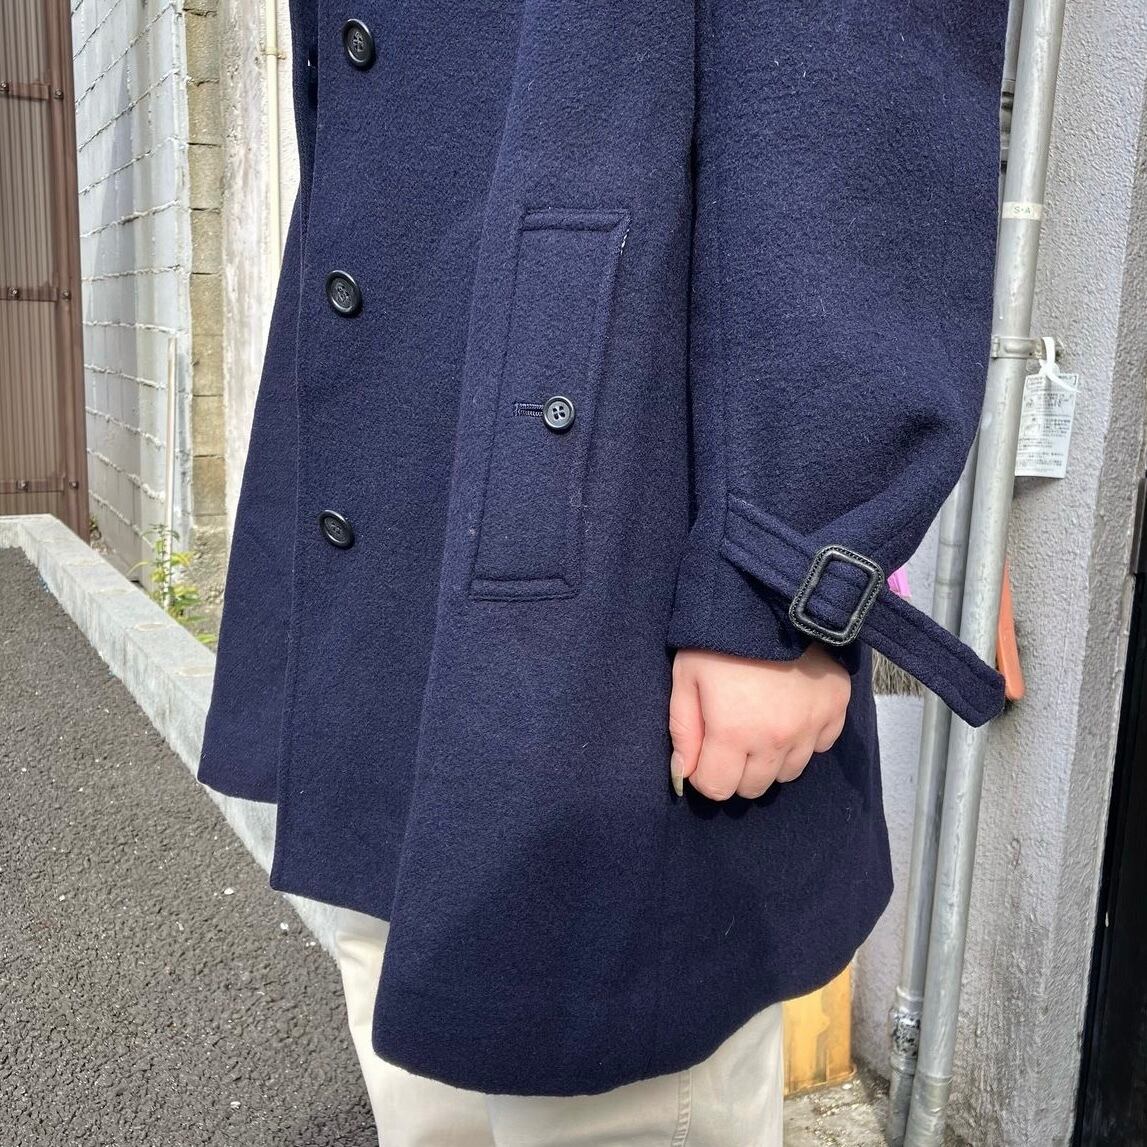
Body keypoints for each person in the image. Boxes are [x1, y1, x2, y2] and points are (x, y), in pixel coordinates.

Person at [197, 1, 1008, 1143]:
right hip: (398, 462)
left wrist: (786, 557)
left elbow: (852, 70)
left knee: (609, 1078)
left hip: (619, 512)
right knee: (410, 1029)